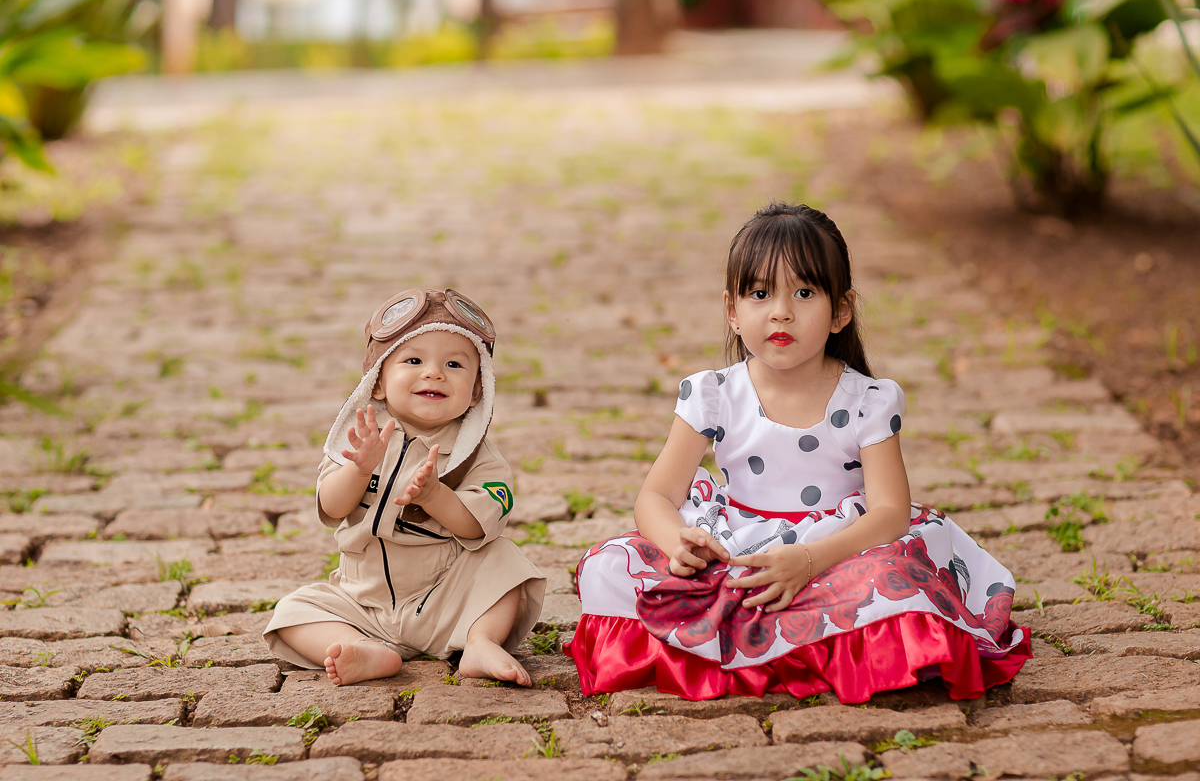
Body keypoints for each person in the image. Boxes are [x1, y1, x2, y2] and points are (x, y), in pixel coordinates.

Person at [564, 202, 1029, 702]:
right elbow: (655, 496)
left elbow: (891, 513)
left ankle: (804, 638)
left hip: (838, 550)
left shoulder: (868, 401)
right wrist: (679, 544)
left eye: (804, 293)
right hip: (734, 543)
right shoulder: (713, 393)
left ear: (840, 311)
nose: (780, 311)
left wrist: (808, 560)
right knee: (608, 566)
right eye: (760, 294)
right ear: (732, 311)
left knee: (893, 580)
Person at [264, 289, 546, 687]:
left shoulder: (478, 457)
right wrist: (358, 469)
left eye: (453, 364)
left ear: (476, 392)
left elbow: (478, 525)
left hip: (444, 599)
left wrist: (435, 496)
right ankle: (364, 649)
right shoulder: (360, 438)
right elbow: (331, 506)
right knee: (293, 611)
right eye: (414, 360)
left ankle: (480, 641)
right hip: (362, 600)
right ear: (378, 382)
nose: (434, 373)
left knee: (506, 562)